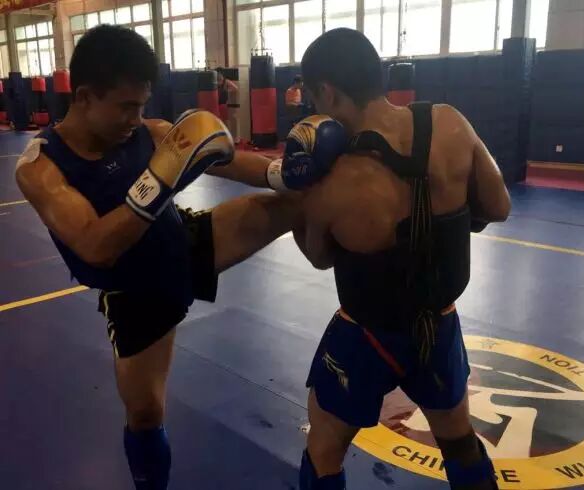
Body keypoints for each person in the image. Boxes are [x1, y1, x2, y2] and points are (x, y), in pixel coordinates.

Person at [15, 25, 345, 490]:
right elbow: (94, 245)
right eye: (125, 107)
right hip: (134, 291)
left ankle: (365, 298)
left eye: (141, 105)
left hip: (182, 243)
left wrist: (284, 172)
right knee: (145, 413)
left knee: (296, 200)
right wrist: (162, 177)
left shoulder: (149, 132)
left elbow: (228, 160)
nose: (136, 118)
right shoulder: (41, 167)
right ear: (85, 97)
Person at [294, 29, 511, 490]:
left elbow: (318, 257)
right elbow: (498, 207)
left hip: (367, 335)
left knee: (324, 448)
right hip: (438, 326)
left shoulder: (334, 183)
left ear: (327, 92)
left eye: (313, 98)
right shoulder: (450, 123)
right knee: (458, 441)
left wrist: (300, 192)